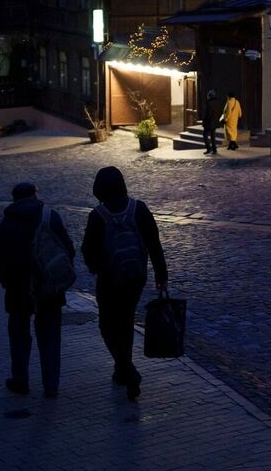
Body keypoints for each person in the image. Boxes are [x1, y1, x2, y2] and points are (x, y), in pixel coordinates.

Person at [81, 166, 168, 401]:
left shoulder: (98, 215)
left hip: (110, 280)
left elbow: (87, 250)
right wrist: (161, 274)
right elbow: (153, 243)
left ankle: (127, 370)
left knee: (107, 325)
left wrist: (95, 267)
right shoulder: (138, 209)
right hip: (136, 277)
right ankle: (122, 370)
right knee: (126, 321)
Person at [0, 182, 74, 398]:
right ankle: (51, 385)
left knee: (18, 334)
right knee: (50, 337)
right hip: (48, 287)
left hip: (18, 288)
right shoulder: (50, 216)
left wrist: (6, 282)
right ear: (35, 194)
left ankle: (20, 380)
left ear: (14, 198)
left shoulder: (7, 223)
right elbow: (68, 250)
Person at [200, 89, 220, 155]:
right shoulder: (217, 103)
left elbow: (207, 114)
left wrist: (204, 122)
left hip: (209, 123)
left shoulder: (208, 103)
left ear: (209, 96)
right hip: (215, 122)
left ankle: (209, 149)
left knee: (205, 135)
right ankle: (214, 150)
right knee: (212, 136)